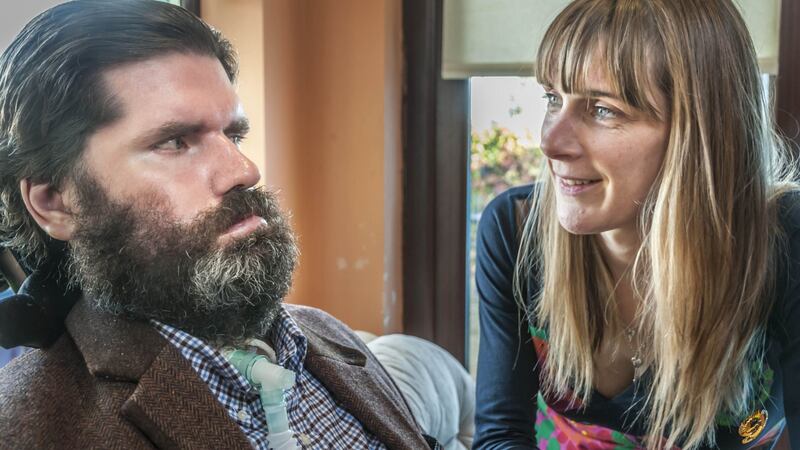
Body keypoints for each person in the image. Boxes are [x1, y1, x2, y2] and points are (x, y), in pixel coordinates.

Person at [0, 1, 436, 449]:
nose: (244, 171)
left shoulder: (329, 335)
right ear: (55, 203)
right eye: (175, 142)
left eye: (234, 135)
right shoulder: (30, 431)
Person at [474, 0, 799, 449]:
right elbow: (501, 434)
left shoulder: (785, 240)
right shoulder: (515, 231)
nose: (549, 142)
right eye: (553, 98)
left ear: (699, 129)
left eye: (603, 109)